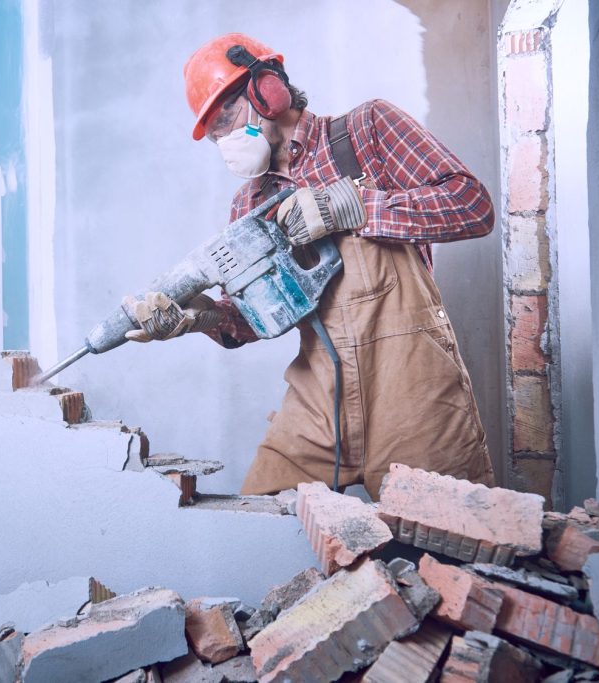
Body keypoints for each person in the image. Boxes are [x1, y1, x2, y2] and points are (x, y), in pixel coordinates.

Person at [125, 33, 496, 500]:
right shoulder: (250, 205)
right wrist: (201, 317)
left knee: (449, 550)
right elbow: (260, 319)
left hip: (414, 393)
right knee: (255, 530)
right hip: (319, 401)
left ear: (268, 89)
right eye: (213, 131)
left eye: (226, 117)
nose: (223, 139)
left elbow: (472, 205)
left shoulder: (365, 131)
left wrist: (356, 207)